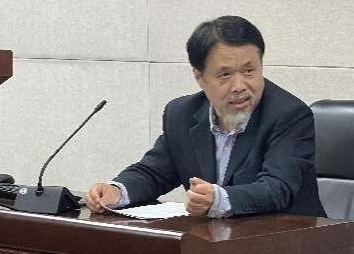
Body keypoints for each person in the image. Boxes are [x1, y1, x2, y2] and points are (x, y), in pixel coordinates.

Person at [86, 16, 325, 218]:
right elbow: (154, 173)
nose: (240, 85)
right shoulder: (182, 113)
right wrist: (118, 191)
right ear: (199, 76)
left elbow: (278, 188)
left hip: (288, 243)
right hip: (216, 243)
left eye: (249, 70)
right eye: (225, 75)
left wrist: (219, 199)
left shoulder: (289, 115)